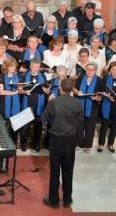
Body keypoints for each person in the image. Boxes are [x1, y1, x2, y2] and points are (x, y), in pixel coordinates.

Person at [42, 78, 84, 209]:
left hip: (56, 140)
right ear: (72, 89)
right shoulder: (77, 103)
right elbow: (80, 121)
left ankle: (54, 200)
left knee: (55, 171)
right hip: (70, 140)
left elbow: (44, 119)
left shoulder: (54, 102)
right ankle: (67, 199)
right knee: (68, 170)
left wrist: (49, 103)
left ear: (61, 88)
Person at [20, 58, 50, 151]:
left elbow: (47, 90)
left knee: (38, 125)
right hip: (27, 103)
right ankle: (23, 143)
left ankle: (36, 143)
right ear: (30, 66)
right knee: (25, 126)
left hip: (39, 105)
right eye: (33, 67)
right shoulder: (24, 75)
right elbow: (19, 89)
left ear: (39, 67)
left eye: (37, 67)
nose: (35, 69)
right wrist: (25, 92)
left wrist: (47, 90)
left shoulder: (43, 76)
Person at [73, 62, 102, 153]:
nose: (89, 71)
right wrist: (77, 92)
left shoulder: (99, 80)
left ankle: (87, 145)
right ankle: (78, 143)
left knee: (90, 127)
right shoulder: (81, 77)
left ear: (95, 71)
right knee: (79, 126)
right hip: (80, 105)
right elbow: (74, 88)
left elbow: (101, 96)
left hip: (93, 107)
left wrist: (96, 98)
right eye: (88, 69)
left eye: (92, 70)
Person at [98, 61, 116, 153]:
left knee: (114, 125)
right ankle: (101, 144)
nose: (114, 71)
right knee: (104, 124)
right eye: (112, 69)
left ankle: (111, 144)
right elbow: (102, 90)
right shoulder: (106, 77)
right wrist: (107, 95)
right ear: (110, 70)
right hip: (107, 102)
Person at [0, 58, 22, 141]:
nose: (13, 68)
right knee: (4, 125)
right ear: (6, 67)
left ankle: (13, 142)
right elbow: (1, 92)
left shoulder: (18, 76)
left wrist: (23, 90)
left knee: (15, 125)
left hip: (16, 103)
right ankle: (4, 142)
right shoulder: (1, 76)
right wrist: (13, 93)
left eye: (14, 66)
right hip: (4, 104)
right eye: (11, 66)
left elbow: (21, 89)